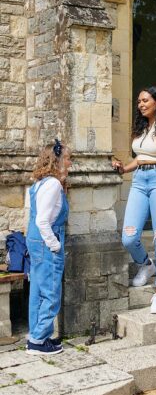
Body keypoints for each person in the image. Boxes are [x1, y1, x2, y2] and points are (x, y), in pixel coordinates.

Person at [112, 86, 156, 314]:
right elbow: (140, 159)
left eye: (145, 100)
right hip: (140, 181)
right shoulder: (141, 128)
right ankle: (146, 264)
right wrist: (124, 168)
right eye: (139, 101)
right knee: (129, 237)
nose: (141, 104)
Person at [26, 140, 72, 355]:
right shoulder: (52, 184)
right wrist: (54, 245)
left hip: (35, 241)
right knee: (51, 292)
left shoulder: (38, 184)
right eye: (68, 159)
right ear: (58, 160)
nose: (70, 163)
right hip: (47, 241)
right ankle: (38, 340)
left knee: (38, 290)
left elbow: (34, 216)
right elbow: (42, 221)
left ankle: (37, 335)